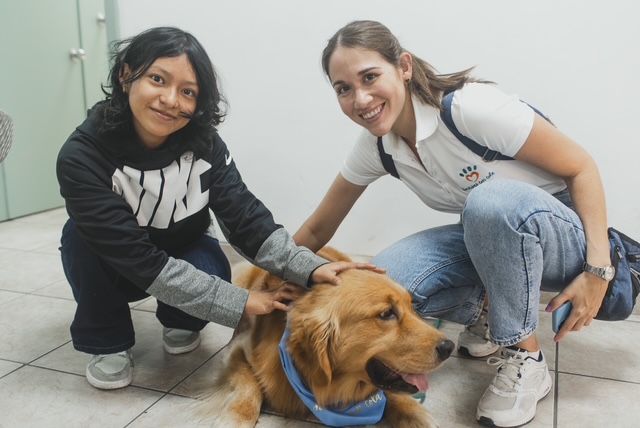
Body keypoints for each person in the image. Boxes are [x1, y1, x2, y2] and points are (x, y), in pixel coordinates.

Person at [294, 20, 612, 428]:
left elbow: (582, 167)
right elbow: (317, 230)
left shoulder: (469, 108)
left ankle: (526, 357)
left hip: (563, 233)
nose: (361, 98)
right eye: (343, 88)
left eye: (370, 77)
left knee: (489, 202)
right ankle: (490, 309)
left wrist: (598, 269)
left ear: (404, 67)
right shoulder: (378, 146)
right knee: (389, 281)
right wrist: (265, 283)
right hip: (491, 233)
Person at [56, 26, 378, 391]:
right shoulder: (82, 157)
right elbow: (138, 260)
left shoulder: (204, 144)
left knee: (212, 263)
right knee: (80, 242)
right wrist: (241, 302)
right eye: (158, 79)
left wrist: (311, 267)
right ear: (127, 75)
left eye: (188, 92)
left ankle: (181, 320)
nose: (170, 100)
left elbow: (246, 220)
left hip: (183, 244)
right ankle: (107, 341)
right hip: (117, 267)